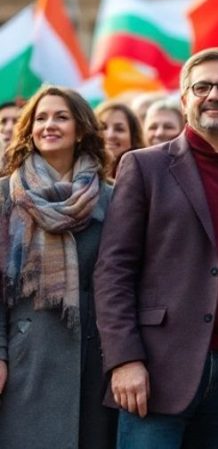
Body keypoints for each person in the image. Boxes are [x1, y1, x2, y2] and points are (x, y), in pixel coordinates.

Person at [94, 48, 218, 449]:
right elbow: (114, 269)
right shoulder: (143, 166)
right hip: (156, 370)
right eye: (202, 86)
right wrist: (124, 359)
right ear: (184, 100)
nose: (214, 94)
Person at [0, 86, 115, 449]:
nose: (49, 125)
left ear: (80, 129)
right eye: (41, 117)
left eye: (61, 117)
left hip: (95, 359)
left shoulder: (112, 197)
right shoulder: (6, 194)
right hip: (25, 355)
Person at [96, 100, 145, 178]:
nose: (110, 135)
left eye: (119, 129)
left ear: (133, 137)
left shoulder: (145, 176)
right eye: (103, 127)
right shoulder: (78, 172)